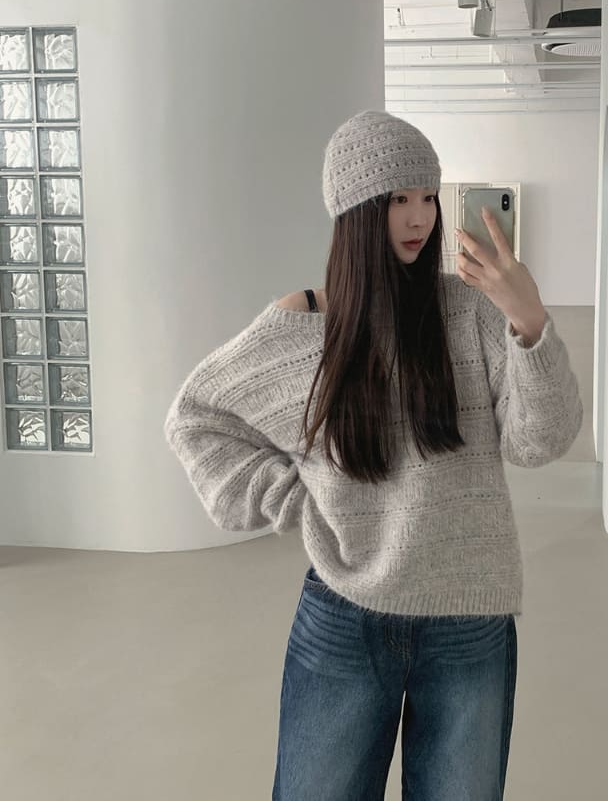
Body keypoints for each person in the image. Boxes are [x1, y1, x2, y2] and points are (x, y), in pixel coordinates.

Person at [164, 109, 583, 800]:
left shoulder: (470, 310)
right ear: (356, 211)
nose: (420, 217)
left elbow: (541, 441)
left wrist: (528, 321)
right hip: (345, 616)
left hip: (469, 617)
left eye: (428, 197)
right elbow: (197, 416)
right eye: (398, 200)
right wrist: (290, 499)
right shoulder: (305, 324)